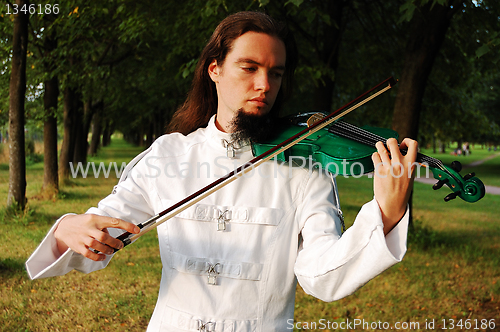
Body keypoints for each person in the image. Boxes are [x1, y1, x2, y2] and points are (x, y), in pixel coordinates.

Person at [26, 11, 417, 332]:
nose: (264, 85)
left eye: (276, 73)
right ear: (214, 69)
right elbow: (100, 236)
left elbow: (322, 277)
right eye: (249, 67)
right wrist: (68, 228)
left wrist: (385, 214)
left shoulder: (304, 167)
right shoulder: (167, 156)